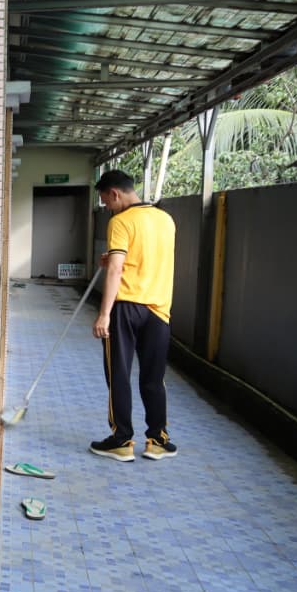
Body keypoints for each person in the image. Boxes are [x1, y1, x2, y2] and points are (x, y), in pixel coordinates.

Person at [89, 169, 178, 462]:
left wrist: (103, 314)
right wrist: (113, 259)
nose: (107, 208)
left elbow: (116, 269)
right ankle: (157, 441)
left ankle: (121, 440)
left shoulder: (121, 221)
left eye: (106, 202)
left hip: (125, 308)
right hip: (158, 309)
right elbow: (144, 258)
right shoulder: (166, 220)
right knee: (154, 378)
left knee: (119, 375)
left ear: (115, 194)